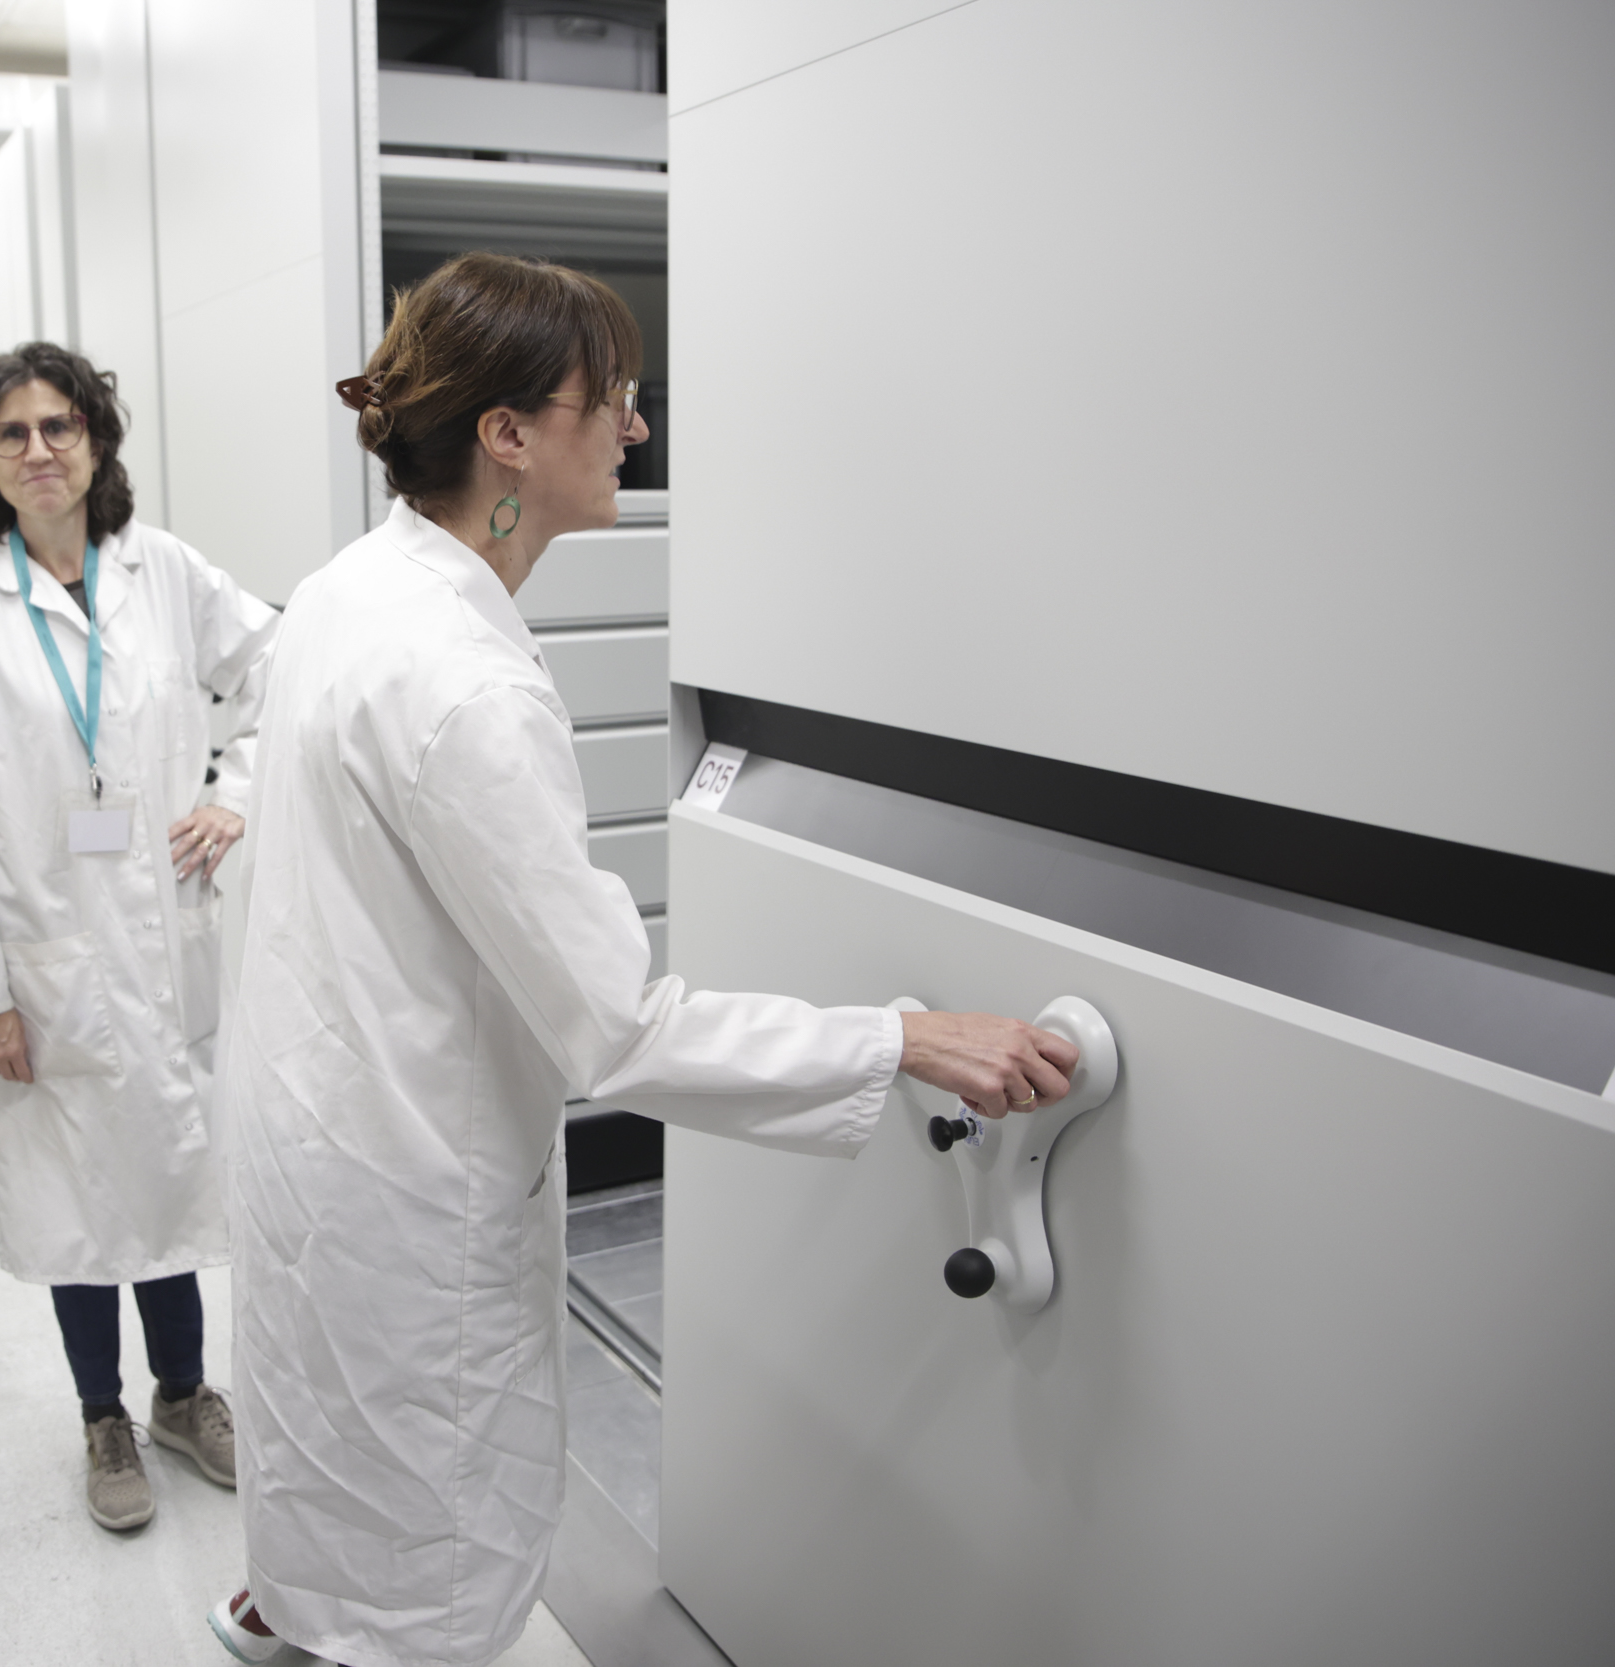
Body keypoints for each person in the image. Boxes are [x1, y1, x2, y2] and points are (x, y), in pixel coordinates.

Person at [205, 254, 1079, 1667]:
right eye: (606, 398)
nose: (635, 426)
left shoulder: (349, 587)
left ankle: (301, 1610)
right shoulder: (465, 684)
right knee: (428, 1551)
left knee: (338, 1457)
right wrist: (903, 1037)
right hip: (403, 1170)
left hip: (318, 1130)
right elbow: (617, 1030)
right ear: (506, 434)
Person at [0, 342, 279, 1533]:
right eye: (12, 433)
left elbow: (276, 666)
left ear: (96, 441)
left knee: (166, 1174)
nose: (39, 450)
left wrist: (237, 791)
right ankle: (101, 1414)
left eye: (60, 426)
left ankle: (181, 1393)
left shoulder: (160, 569)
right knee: (73, 1195)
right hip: (43, 946)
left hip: (163, 938)